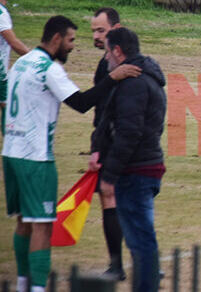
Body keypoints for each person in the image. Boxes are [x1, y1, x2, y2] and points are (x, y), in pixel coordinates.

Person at [2, 16, 139, 292]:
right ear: (56, 39)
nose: (73, 46)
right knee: (42, 224)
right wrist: (113, 77)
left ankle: (22, 283)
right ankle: (38, 288)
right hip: (35, 157)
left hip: (11, 152)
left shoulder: (22, 63)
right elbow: (81, 103)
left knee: (23, 221)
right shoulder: (48, 68)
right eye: (71, 40)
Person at [93, 28, 166, 292]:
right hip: (147, 165)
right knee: (143, 235)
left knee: (140, 239)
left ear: (117, 51)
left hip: (136, 170)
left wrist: (110, 176)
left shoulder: (133, 83)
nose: (106, 59)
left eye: (107, 52)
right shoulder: (148, 76)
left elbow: (129, 132)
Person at [87, 7, 126, 280]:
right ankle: (144, 259)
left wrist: (97, 147)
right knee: (130, 202)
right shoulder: (114, 62)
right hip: (124, 141)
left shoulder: (112, 66)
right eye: (93, 31)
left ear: (116, 28)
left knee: (110, 196)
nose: (96, 36)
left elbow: (103, 112)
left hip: (115, 142)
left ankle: (117, 266)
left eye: (101, 30)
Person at [0, 0, 30, 133]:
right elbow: (13, 42)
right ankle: (10, 145)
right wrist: (37, 58)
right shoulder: (0, 14)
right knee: (7, 103)